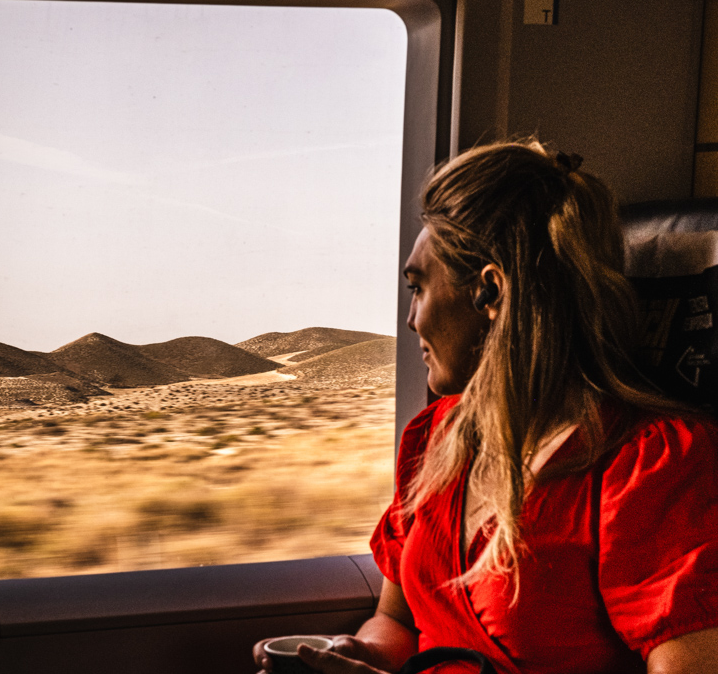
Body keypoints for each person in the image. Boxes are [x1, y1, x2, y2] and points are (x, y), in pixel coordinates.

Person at [253, 140, 718, 674]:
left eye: (418, 287)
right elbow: (397, 622)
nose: (411, 320)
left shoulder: (647, 466)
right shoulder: (433, 440)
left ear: (490, 294)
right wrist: (357, 657)